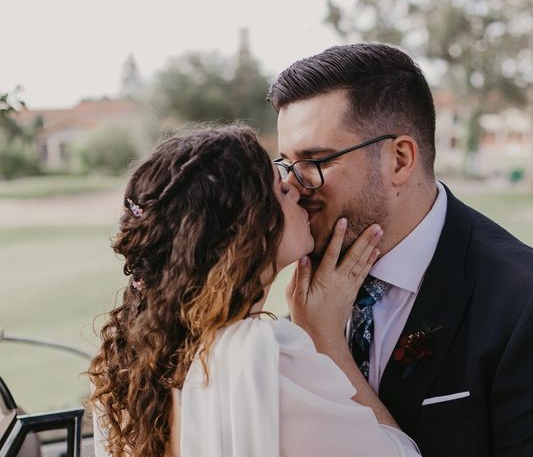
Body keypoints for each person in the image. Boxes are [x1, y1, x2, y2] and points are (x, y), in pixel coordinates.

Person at [268, 43, 533, 456]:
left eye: (316, 161)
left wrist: (327, 346)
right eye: (286, 163)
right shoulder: (311, 290)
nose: (292, 184)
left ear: (399, 159)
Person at [88, 123, 421, 457]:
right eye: (278, 187)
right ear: (244, 229)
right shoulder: (265, 362)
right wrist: (325, 337)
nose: (295, 188)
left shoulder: (131, 361)